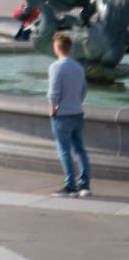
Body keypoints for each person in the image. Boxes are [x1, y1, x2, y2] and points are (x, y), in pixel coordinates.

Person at [48, 30, 91, 197]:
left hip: (62, 115)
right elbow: (84, 89)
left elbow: (53, 92)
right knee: (80, 150)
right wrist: (77, 102)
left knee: (64, 150)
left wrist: (53, 108)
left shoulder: (56, 67)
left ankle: (70, 186)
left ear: (58, 47)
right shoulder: (78, 66)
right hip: (77, 113)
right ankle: (84, 186)